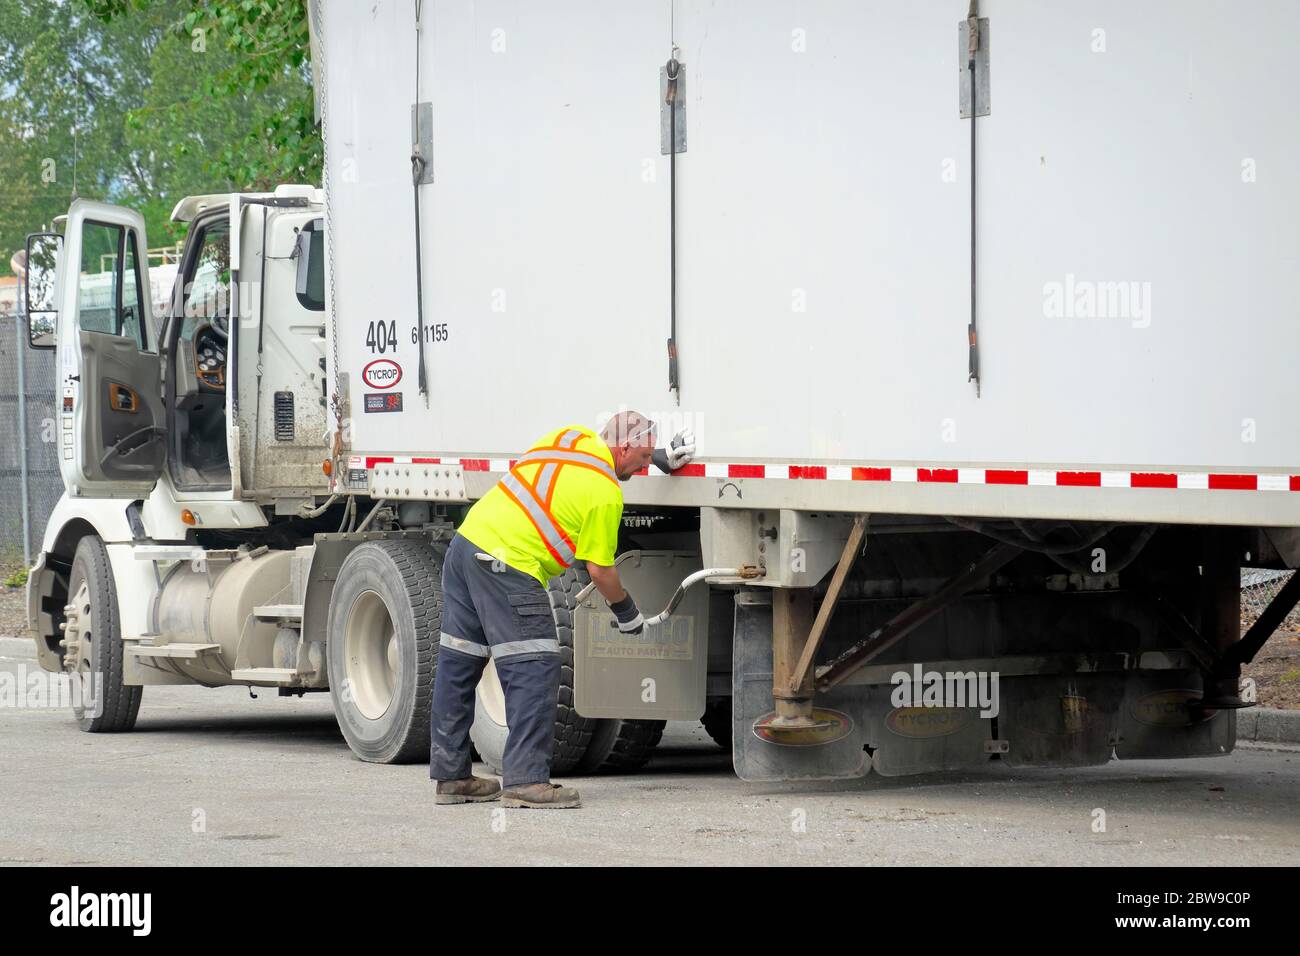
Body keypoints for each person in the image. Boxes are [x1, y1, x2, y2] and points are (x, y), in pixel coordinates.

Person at [429, 410, 695, 808]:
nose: (641, 470)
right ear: (624, 447)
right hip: (509, 564)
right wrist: (627, 612)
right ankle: (525, 781)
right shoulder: (605, 493)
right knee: (534, 665)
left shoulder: (570, 438)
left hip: (467, 547)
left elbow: (609, 452)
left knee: (460, 663)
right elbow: (601, 570)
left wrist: (655, 454)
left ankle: (451, 778)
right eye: (640, 461)